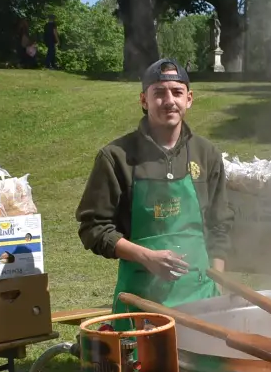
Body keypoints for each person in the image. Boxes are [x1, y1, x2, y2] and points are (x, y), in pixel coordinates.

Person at [76, 58, 231, 312]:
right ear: (144, 100)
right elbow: (93, 228)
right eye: (159, 93)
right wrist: (147, 257)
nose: (169, 101)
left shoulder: (206, 154)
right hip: (139, 302)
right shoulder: (116, 157)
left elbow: (220, 225)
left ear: (189, 99)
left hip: (202, 299)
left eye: (177, 92)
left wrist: (218, 288)